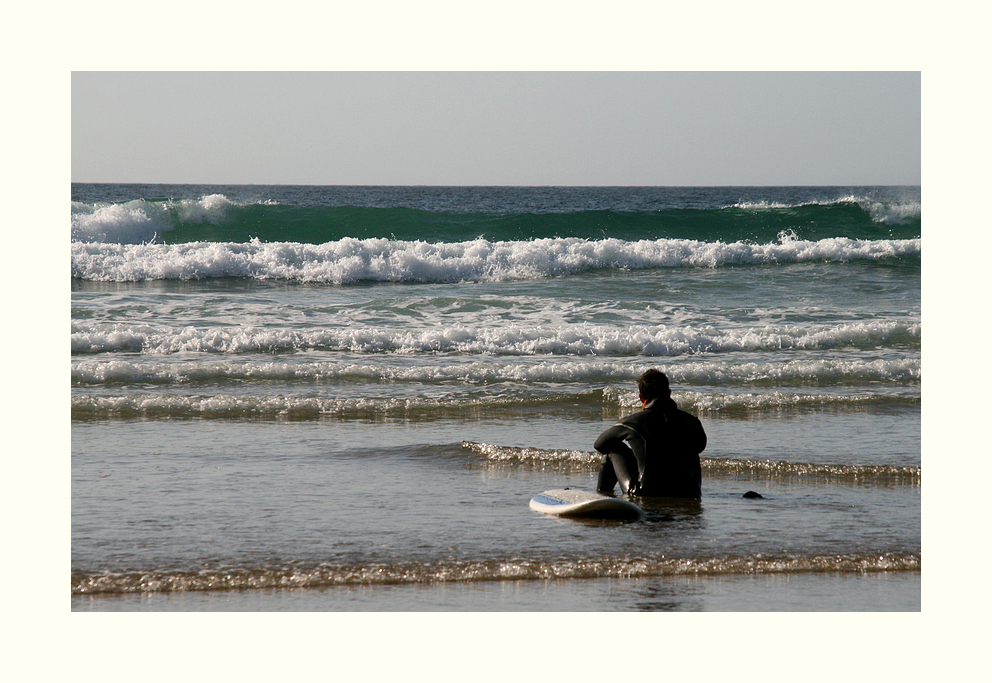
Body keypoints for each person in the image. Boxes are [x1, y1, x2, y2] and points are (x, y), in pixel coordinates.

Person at [595, 369, 706, 498]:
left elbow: (599, 444)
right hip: (689, 492)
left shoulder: (632, 422)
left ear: (641, 398)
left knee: (611, 449)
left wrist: (635, 457)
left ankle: (602, 497)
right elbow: (700, 446)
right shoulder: (693, 423)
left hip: (646, 492)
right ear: (669, 393)